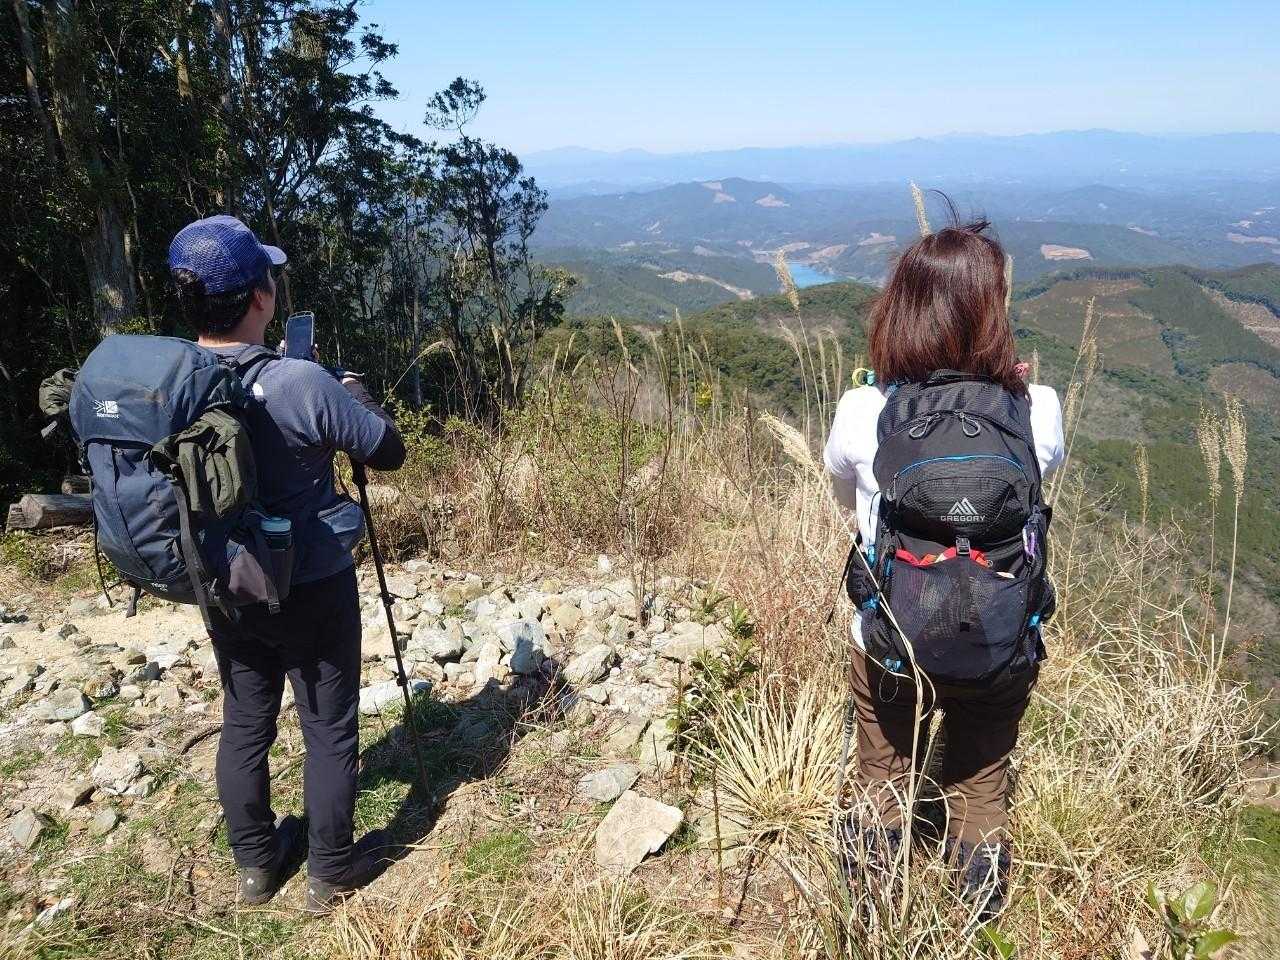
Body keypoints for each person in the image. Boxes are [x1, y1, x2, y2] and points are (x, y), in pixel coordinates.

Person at [823, 214, 1064, 920]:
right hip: (1000, 638)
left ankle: (870, 919)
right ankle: (977, 926)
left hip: (891, 638)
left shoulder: (863, 409)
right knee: (981, 784)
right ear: (993, 314)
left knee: (882, 776)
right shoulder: (1038, 410)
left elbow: (843, 497)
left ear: (900, 310)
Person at [167, 215, 406, 911]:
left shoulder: (175, 382)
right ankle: (330, 871)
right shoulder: (300, 380)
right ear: (260, 297)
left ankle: (257, 864)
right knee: (327, 723)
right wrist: (351, 391)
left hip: (227, 581)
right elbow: (387, 450)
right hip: (311, 580)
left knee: (246, 718)